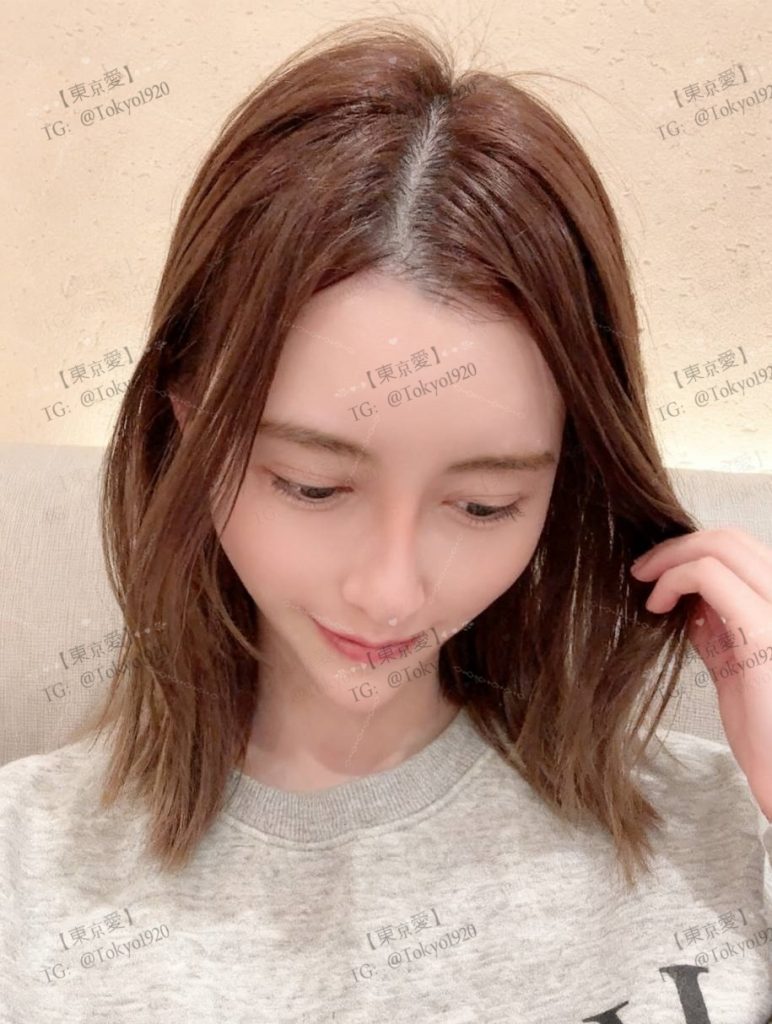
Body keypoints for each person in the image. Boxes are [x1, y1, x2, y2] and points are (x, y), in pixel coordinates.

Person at [1, 18, 770, 1024]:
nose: (390, 592)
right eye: (311, 485)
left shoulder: (727, 824)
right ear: (186, 426)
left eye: (484, 504)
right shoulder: (28, 869)